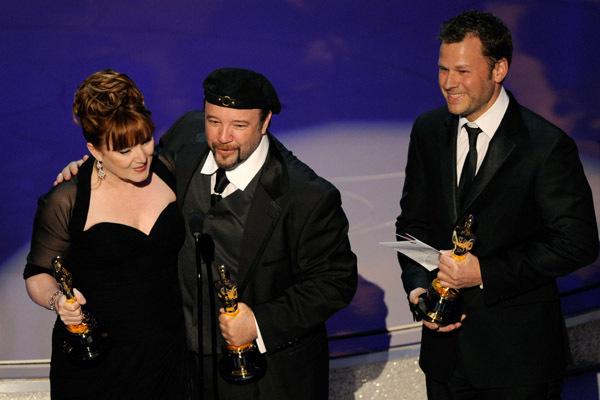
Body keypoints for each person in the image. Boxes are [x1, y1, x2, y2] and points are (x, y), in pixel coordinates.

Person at [58, 67, 358, 400]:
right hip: (178, 370)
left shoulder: (306, 196)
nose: (223, 137)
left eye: (239, 125)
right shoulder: (187, 138)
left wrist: (257, 323)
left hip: (265, 377)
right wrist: (91, 170)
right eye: (214, 121)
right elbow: (133, 163)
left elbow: (335, 281)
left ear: (266, 121)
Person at [396, 9, 599, 399]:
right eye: (443, 70)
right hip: (444, 356)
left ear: (499, 69)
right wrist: (420, 289)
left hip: (518, 363)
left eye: (462, 72)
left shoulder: (545, 145)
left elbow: (577, 243)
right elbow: (411, 224)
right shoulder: (427, 129)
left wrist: (484, 272)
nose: (448, 84)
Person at [24, 70, 187, 399]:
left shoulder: (170, 171)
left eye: (145, 141)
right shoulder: (66, 199)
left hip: (167, 357)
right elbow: (38, 274)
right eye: (124, 151)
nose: (141, 157)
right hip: (97, 366)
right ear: (95, 151)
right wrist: (58, 301)